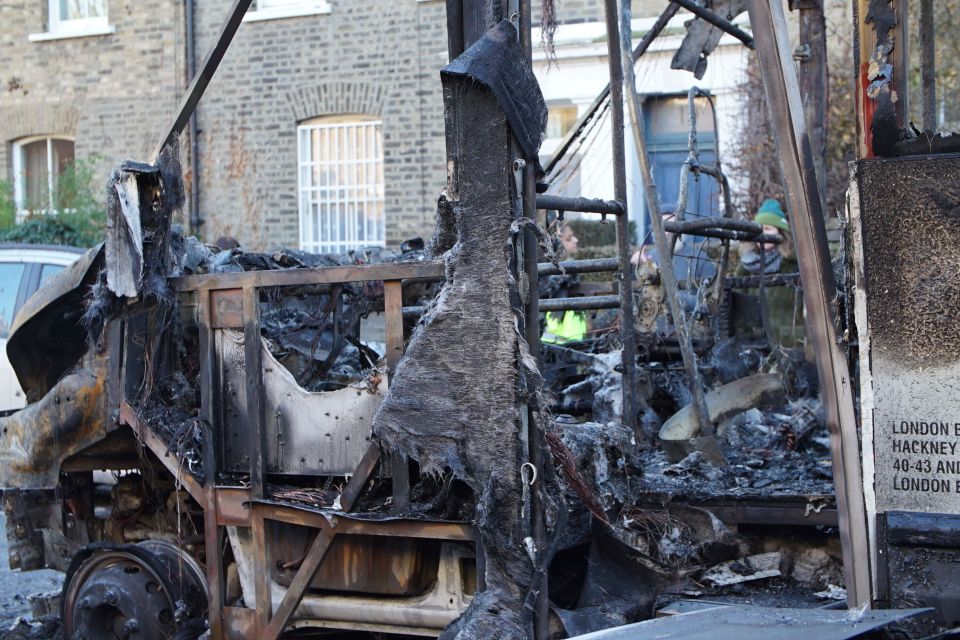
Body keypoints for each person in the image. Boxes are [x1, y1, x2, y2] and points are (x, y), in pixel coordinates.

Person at [737, 198, 802, 348]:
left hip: (787, 344)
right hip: (752, 344)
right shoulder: (746, 265)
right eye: (759, 228)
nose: (762, 234)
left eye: (768, 229)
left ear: (780, 232)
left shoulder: (792, 265)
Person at [543, 222, 588, 344]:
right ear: (556, 242)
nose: (576, 240)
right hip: (554, 344)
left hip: (568, 343)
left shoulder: (568, 273)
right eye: (569, 238)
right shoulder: (556, 277)